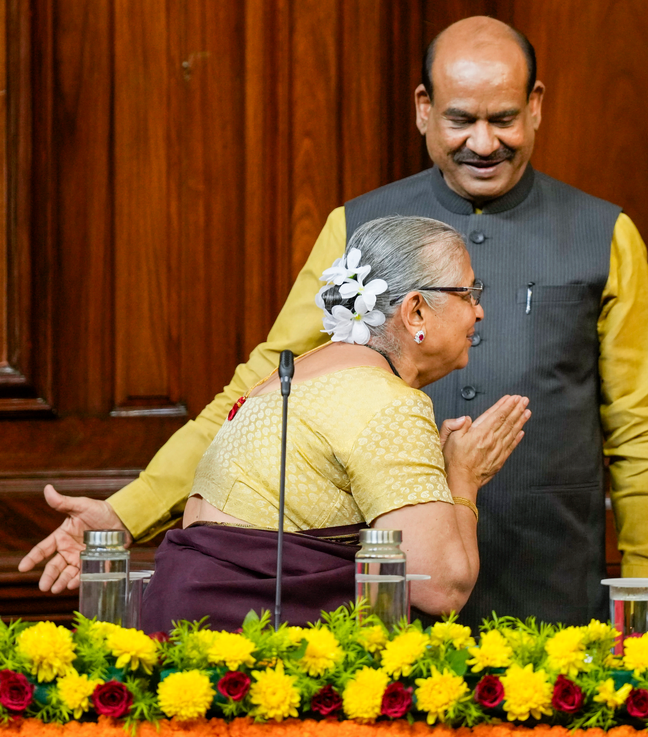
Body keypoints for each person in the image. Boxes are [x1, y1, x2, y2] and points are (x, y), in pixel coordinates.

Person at [21, 17, 648, 626]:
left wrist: (646, 596)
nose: (484, 143)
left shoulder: (606, 235)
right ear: (423, 109)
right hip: (386, 601)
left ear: (536, 105)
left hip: (549, 586)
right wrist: (124, 513)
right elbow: (263, 386)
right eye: (460, 120)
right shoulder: (358, 229)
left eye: (504, 118)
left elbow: (641, 433)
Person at [140, 216, 530, 631]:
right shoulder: (387, 401)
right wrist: (463, 476)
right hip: (251, 646)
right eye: (468, 293)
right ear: (415, 311)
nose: (480, 311)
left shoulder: (282, 379)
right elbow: (440, 588)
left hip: (173, 625)